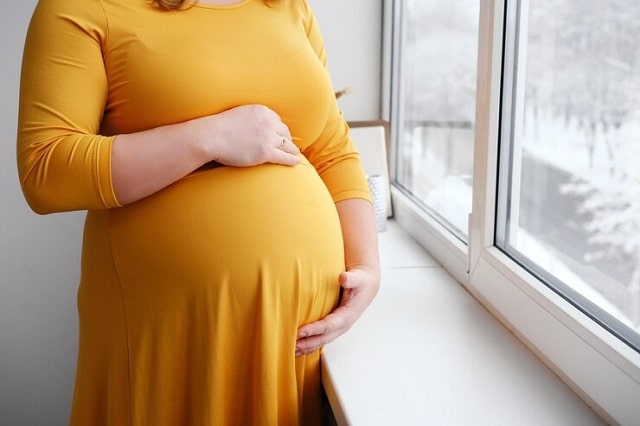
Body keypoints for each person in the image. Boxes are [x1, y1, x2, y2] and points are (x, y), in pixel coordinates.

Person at [17, 0, 380, 424]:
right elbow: (46, 167)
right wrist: (210, 137)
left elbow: (331, 148)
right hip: (175, 332)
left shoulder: (287, 5)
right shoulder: (84, 7)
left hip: (295, 335)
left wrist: (367, 268)